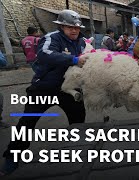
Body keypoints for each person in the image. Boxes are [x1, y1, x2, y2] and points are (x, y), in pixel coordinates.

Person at [0, 9, 88, 176]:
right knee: (27, 123)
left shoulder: (82, 41)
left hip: (69, 89)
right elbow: (45, 54)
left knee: (78, 120)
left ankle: (75, 148)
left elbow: (88, 56)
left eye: (76, 27)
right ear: (61, 26)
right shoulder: (51, 38)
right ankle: (12, 156)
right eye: (70, 27)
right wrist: (74, 59)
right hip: (44, 88)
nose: (74, 30)